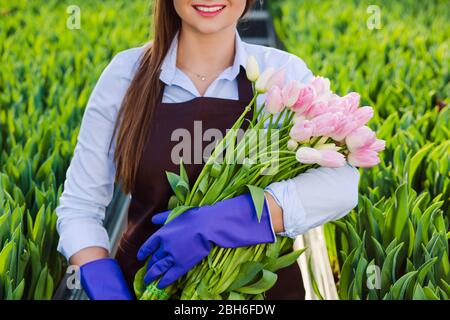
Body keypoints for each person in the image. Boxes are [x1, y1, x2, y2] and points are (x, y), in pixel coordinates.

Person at [56, 0, 360, 300]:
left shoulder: (280, 72)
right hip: (146, 287)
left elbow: (342, 183)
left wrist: (226, 221)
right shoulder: (126, 75)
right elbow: (80, 207)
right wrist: (105, 284)